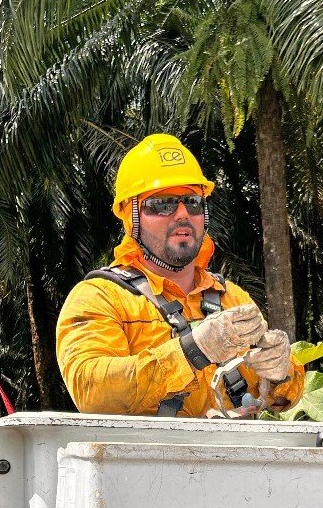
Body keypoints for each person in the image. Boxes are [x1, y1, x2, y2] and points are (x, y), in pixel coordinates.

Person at [56, 133, 304, 417]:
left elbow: (282, 397)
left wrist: (281, 373)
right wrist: (191, 351)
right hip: (144, 459)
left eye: (193, 202)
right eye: (162, 204)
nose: (182, 214)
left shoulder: (232, 297)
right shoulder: (99, 298)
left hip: (233, 458)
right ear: (131, 216)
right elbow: (92, 391)